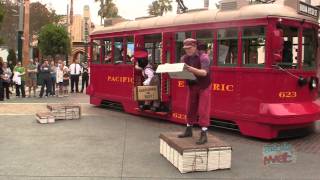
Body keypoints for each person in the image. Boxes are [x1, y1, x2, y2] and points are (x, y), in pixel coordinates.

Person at [178, 38, 212, 145]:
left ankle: (204, 133)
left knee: (203, 109)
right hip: (192, 85)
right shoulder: (184, 58)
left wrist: (189, 69)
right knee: (190, 108)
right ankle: (189, 129)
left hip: (204, 85)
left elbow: (204, 73)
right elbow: (183, 71)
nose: (187, 50)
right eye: (186, 48)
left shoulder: (204, 57)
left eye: (190, 48)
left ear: (195, 47)